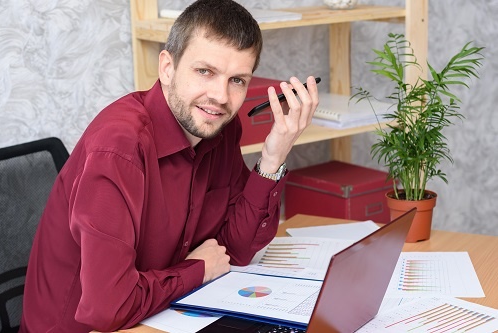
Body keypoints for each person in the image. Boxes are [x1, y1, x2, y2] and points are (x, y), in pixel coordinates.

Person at [19, 0, 319, 331]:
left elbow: (234, 249)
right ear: (167, 67)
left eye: (237, 80)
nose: (220, 96)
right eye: (205, 71)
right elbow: (109, 307)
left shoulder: (219, 126)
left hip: (162, 316)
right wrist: (197, 269)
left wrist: (273, 157)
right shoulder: (119, 149)